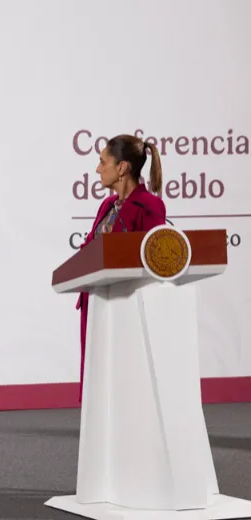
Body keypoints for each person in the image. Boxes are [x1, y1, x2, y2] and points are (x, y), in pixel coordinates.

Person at [75, 134, 166, 398]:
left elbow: (153, 261)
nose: (97, 169)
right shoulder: (106, 205)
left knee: (124, 380)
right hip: (97, 300)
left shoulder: (149, 205)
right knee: (97, 375)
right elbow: (91, 249)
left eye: (103, 162)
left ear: (123, 168)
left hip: (124, 304)